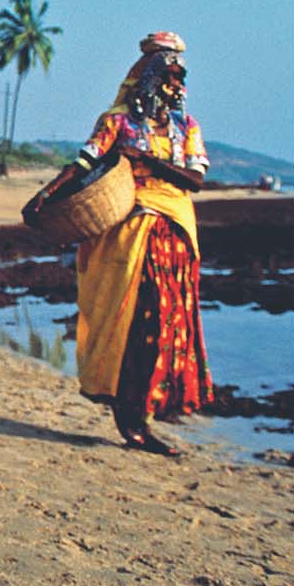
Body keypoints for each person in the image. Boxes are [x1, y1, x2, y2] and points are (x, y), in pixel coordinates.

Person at [24, 31, 211, 457]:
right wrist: (44, 196)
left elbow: (197, 180)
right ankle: (132, 423)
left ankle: (142, 417)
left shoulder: (187, 127)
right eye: (169, 76)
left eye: (180, 77)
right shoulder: (118, 122)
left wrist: (150, 162)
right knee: (133, 327)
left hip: (177, 236)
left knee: (166, 330)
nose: (176, 85)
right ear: (147, 78)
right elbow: (83, 164)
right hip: (129, 236)